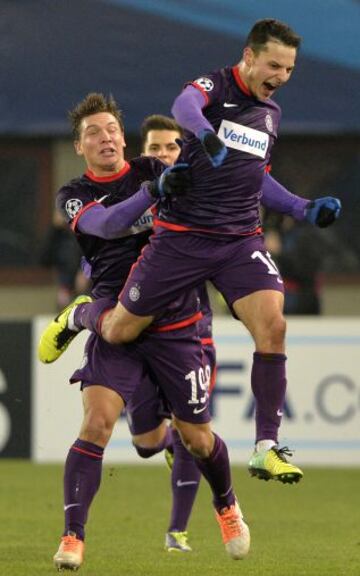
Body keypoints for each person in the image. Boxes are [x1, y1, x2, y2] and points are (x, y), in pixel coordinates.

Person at [39, 19, 341, 487]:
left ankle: (265, 447)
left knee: (273, 324)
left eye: (289, 68)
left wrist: (303, 207)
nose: (281, 75)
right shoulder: (215, 86)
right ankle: (81, 316)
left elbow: (256, 177)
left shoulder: (270, 114)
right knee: (119, 329)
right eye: (274, 65)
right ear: (249, 57)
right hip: (182, 238)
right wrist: (204, 133)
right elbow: (184, 105)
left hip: (240, 239)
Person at [41, 93, 250, 571]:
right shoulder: (74, 192)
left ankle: (227, 505)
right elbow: (110, 224)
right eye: (93, 132)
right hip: (118, 313)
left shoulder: (151, 170)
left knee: (197, 440)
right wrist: (153, 195)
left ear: (124, 136)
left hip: (174, 323)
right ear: (79, 146)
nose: (105, 137)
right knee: (97, 424)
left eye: (112, 128)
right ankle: (73, 536)